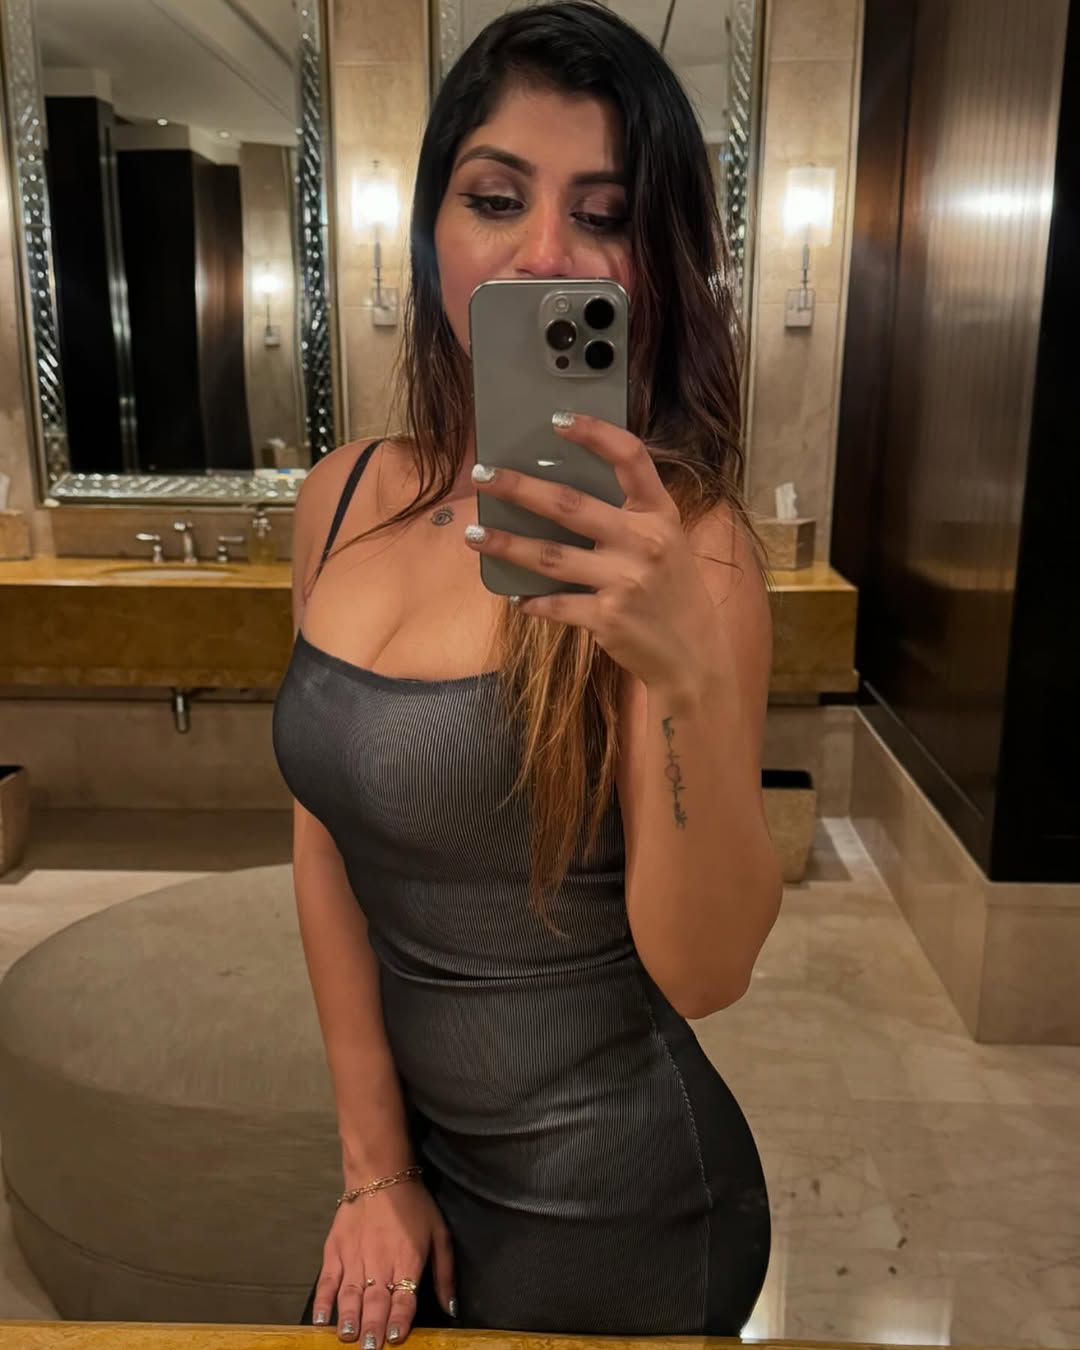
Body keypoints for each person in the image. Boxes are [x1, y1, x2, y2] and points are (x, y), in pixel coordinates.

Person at [272, 2, 782, 1343]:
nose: (544, 252)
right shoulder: (341, 498)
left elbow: (708, 969)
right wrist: (374, 1168)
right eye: (495, 198)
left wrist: (682, 673)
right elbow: (323, 841)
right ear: (433, 225)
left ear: (656, 267)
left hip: (617, 1204)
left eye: (602, 215)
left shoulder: (692, 548)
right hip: (419, 1166)